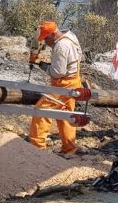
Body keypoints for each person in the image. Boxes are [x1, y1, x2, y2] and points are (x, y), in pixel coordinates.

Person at [28, 20, 85, 155]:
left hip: (64, 85)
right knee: (65, 115)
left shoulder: (61, 46)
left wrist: (43, 65)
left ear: (53, 34)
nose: (46, 42)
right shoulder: (70, 36)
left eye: (46, 38)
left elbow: (57, 72)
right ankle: (69, 149)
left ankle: (36, 147)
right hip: (73, 81)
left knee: (41, 111)